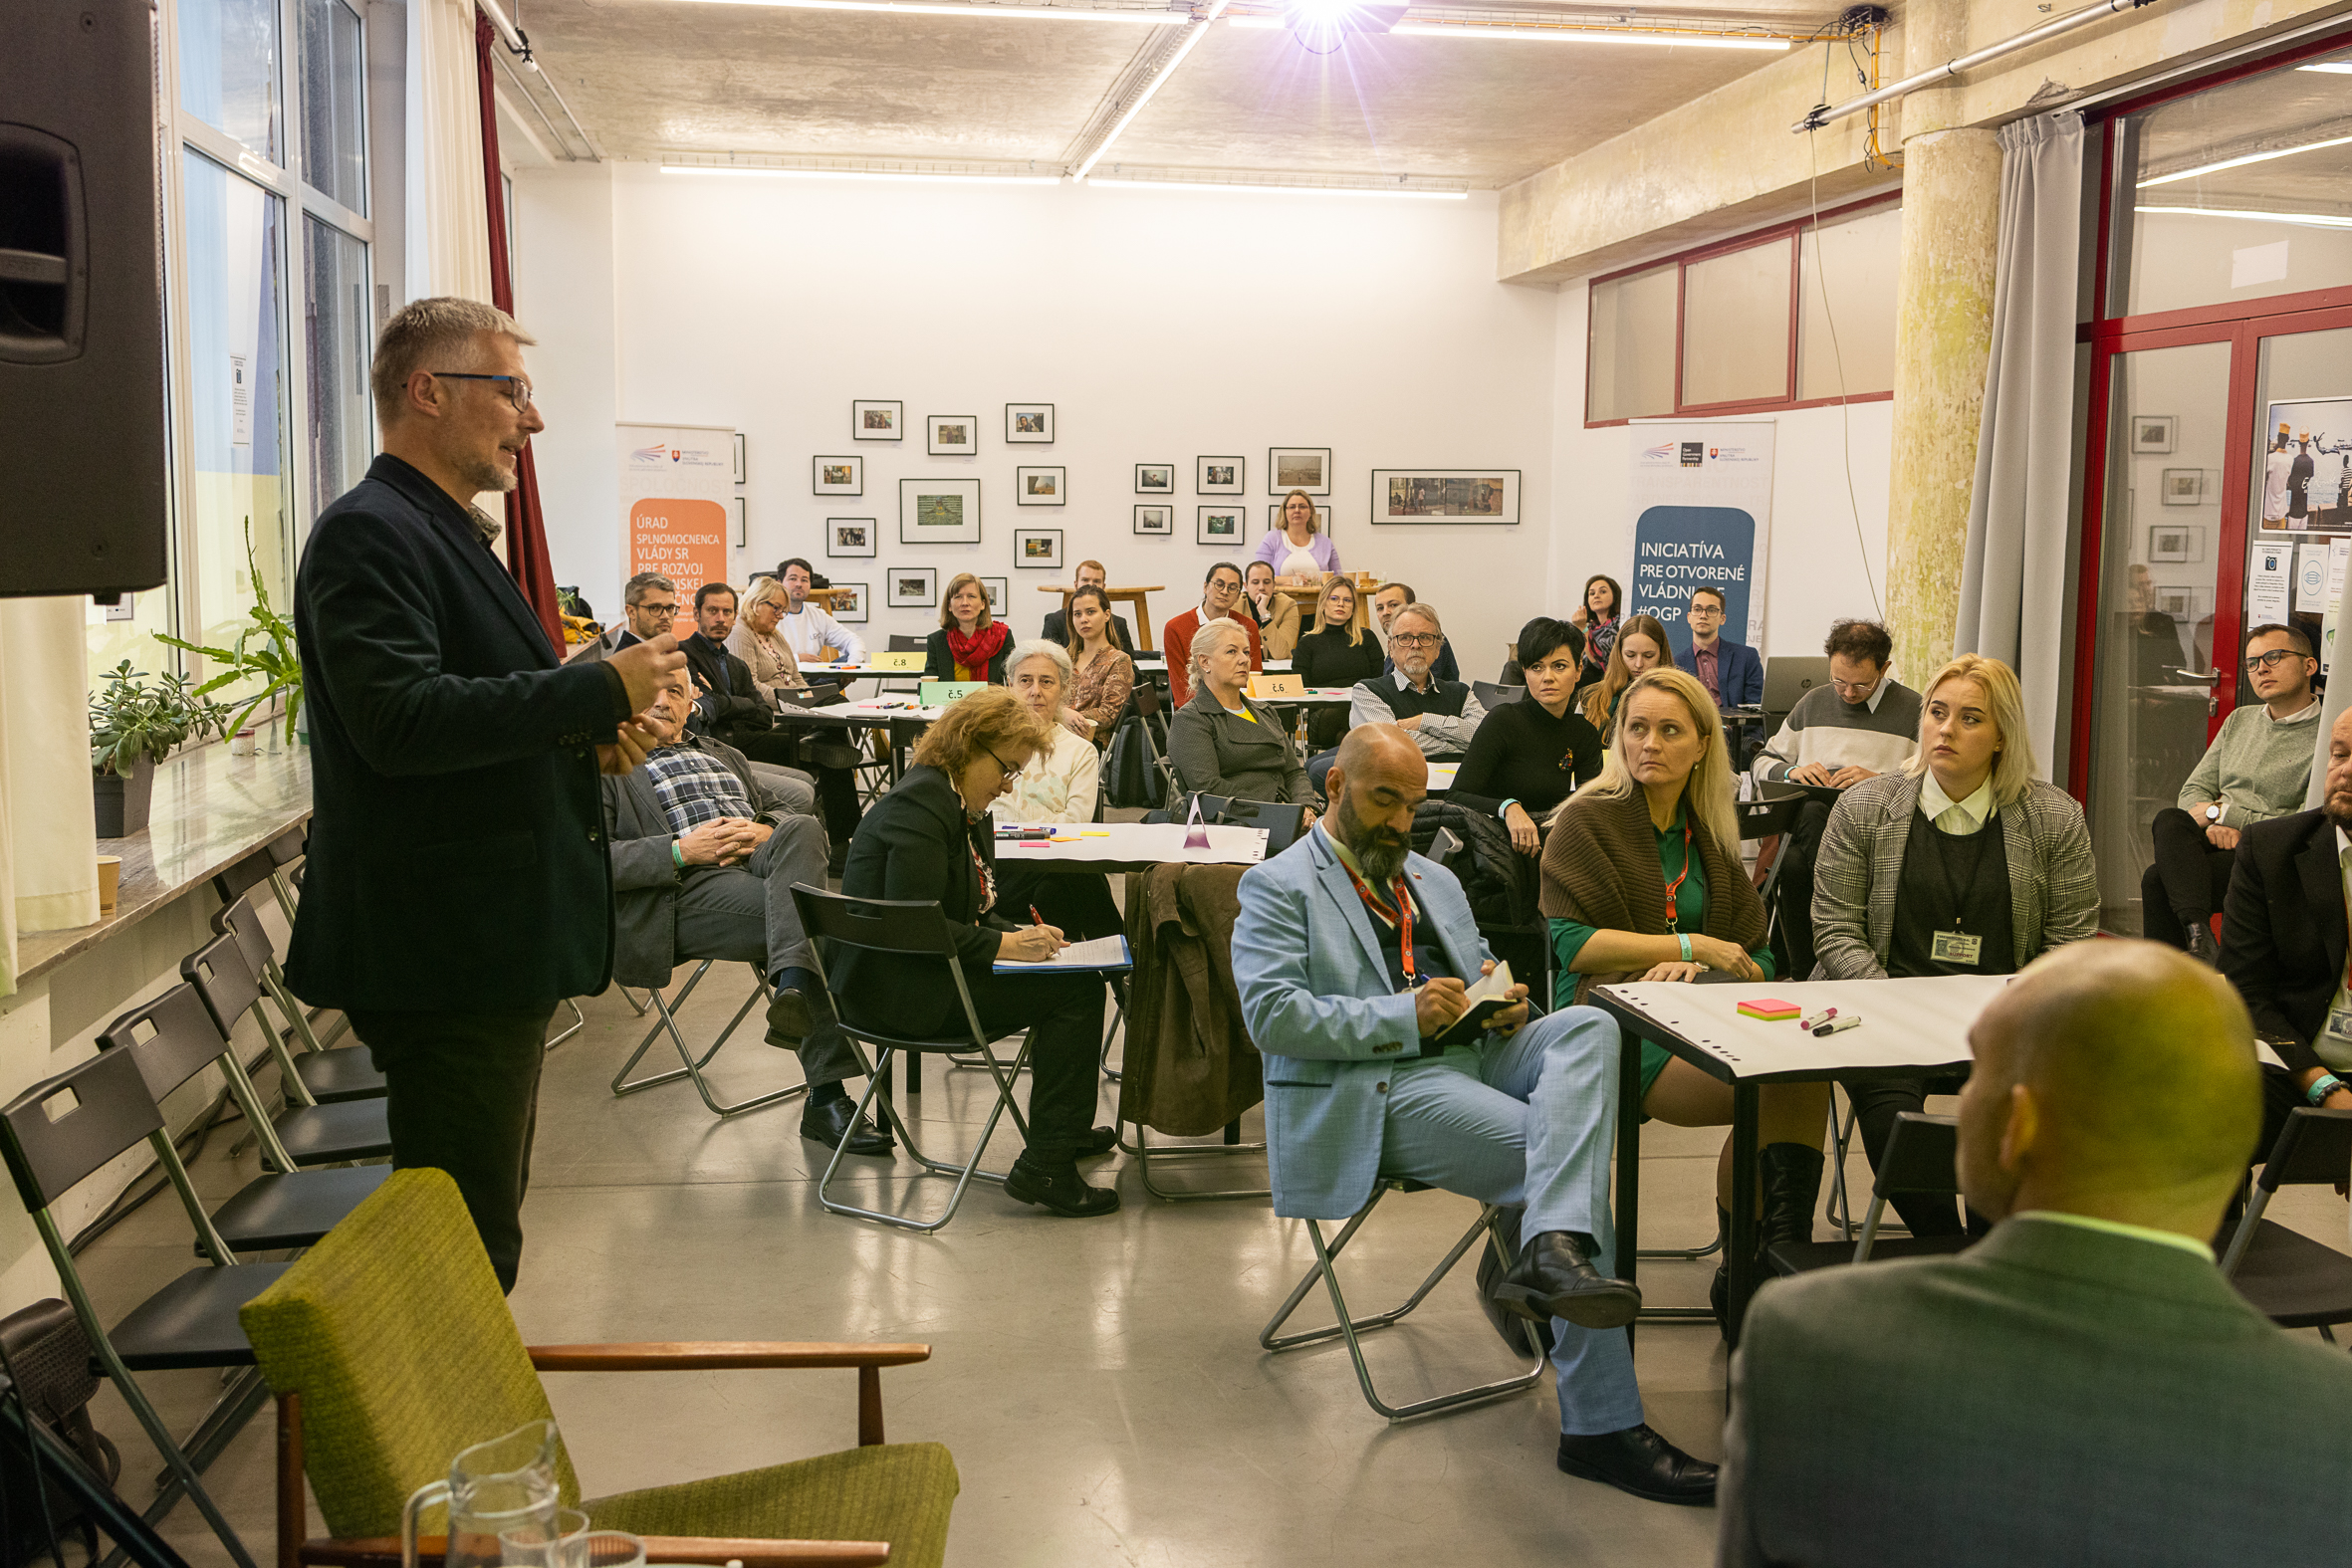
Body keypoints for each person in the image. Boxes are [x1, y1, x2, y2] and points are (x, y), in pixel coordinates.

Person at [1719, 940, 2352, 1568]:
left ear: (2018, 1127)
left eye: (1976, 1076)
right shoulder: (2329, 1422)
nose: (1964, 1100)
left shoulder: (1809, 1340)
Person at [287, 296, 683, 1292]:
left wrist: (575, 742)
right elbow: (400, 723)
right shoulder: (368, 536)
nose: (531, 419)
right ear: (428, 391)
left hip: (483, 942)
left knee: (475, 1227)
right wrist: (593, 688)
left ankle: (459, 1433)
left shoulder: (442, 532)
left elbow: (459, 713)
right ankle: (446, 1442)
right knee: (462, 1246)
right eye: (512, 391)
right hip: (445, 949)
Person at [1232, 725, 1717, 1507]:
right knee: (1561, 1161)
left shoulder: (1431, 875)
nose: (1400, 822)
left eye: (1413, 804)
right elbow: (1273, 1018)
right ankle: (1599, 1424)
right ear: (1333, 788)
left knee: (1592, 1022)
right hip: (1381, 1081)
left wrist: (1504, 996)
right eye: (1384, 800)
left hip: (1473, 1052)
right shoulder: (1278, 886)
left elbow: (1482, 959)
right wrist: (1402, 1016)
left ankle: (1544, 1250)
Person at [1542, 668, 1828, 1333]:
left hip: (1711, 1012)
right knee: (1764, 1086)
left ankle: (1759, 1270)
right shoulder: (1586, 819)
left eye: (1670, 730)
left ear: (1702, 743)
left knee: (1803, 1075)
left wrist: (1712, 961)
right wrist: (1690, 945)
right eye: (1636, 728)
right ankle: (1757, 1278)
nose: (1650, 743)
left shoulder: (1711, 828)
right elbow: (1572, 947)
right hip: (1608, 1019)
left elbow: (1756, 954)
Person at [1812, 653, 2098, 1237]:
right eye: (1937, 713)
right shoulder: (1865, 808)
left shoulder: (2054, 818)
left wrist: (2014, 1014)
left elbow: (2071, 945)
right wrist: (1893, 1004)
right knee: (1893, 1107)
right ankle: (1945, 1242)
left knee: (2017, 1110)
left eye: (1970, 718)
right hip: (1885, 1010)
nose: (1946, 729)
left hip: (2005, 1021)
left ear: (2001, 737)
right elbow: (1836, 929)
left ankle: (1987, 1244)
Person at [836, 687, 1119, 1216]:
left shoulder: (959, 802)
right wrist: (1006, 942)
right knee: (1076, 991)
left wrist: (1021, 937)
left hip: (923, 975)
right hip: (899, 994)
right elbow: (914, 929)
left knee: (1073, 971)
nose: (1009, 784)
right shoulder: (920, 806)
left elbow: (972, 908)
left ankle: (1062, 1132)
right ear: (968, 748)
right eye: (1007, 769)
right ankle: (1049, 1163)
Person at [602, 667, 890, 1157]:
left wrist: (766, 829)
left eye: (674, 691)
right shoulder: (607, 767)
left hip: (760, 863)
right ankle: (825, 1092)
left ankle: (794, 991)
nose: (662, 700)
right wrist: (678, 850)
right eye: (651, 690)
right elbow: (586, 864)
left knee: (799, 827)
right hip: (684, 886)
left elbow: (785, 811)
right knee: (814, 919)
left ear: (691, 702)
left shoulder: (722, 752)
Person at [2216, 703, 2352, 1164]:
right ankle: (2221, 1236)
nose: (2344, 772)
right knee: (2206, 1112)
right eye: (2339, 754)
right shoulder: (2273, 849)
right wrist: (2323, 1086)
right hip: (2297, 1060)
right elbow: (2245, 992)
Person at [1751, 618, 1924, 981]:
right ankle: (1837, 942)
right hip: (1816, 819)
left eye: (1861, 683)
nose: (1847, 693)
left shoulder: (1914, 711)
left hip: (1877, 831)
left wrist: (1880, 781)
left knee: (1796, 864)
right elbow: (1761, 762)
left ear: (1885, 668)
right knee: (1812, 811)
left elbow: (1932, 779)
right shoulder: (1812, 703)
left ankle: (1805, 972)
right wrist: (1791, 772)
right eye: (1838, 680)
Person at [2144, 623, 2319, 963]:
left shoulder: (2327, 731)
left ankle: (2174, 974)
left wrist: (2225, 814)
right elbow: (2193, 791)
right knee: (2169, 819)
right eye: (2252, 663)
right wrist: (2213, 824)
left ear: (2309, 666)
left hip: (2271, 852)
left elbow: (2305, 819)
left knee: (2157, 880)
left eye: (2274, 657)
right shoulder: (2240, 719)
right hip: (2217, 842)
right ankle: (2199, 935)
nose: (2261, 669)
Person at [992, 640, 1123, 942]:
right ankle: (1121, 967)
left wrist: (1018, 831)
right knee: (1074, 877)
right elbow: (983, 818)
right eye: (1025, 680)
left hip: (1051, 863)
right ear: (1010, 685)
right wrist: (1043, 827)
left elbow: (1074, 825)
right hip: (995, 872)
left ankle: (1069, 977)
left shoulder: (1080, 751)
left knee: (1056, 886)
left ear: (1064, 690)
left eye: (1046, 681)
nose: (1035, 691)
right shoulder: (990, 743)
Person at [1451, 617, 1604, 855]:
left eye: (1560, 666)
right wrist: (1507, 807)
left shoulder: (1583, 732)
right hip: (1497, 847)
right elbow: (1456, 796)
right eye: (1536, 667)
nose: (1548, 677)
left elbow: (1590, 805)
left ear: (1578, 670)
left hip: (1554, 848)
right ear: (1524, 672)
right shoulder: (1503, 720)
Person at [1311, 599, 1487, 795]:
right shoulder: (1368, 691)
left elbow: (1484, 738)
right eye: (1404, 638)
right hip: (1394, 787)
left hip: (1454, 786)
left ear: (1438, 649)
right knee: (1316, 769)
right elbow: (1390, 747)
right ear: (1390, 647)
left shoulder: (1461, 692)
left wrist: (1425, 721)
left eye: (1425, 638)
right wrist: (1457, 744)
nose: (1415, 645)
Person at [1167, 621, 1315, 813]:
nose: (1244, 659)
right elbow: (1210, 789)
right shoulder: (1191, 719)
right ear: (1204, 662)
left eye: (1246, 652)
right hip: (1243, 820)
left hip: (1288, 810)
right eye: (1231, 652)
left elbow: (1294, 772)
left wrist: (1307, 807)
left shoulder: (1265, 711)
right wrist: (1280, 812)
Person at [1291, 575, 1385, 751]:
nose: (1340, 604)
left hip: (1362, 710)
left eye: (1347, 600)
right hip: (1322, 715)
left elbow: (1380, 682)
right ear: (1323, 604)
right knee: (1345, 714)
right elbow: (1300, 687)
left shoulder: (1367, 639)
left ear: (1353, 607)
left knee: (1349, 726)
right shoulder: (1308, 642)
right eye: (1334, 599)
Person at [1163, 562, 1262, 710]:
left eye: (1232, 587)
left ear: (1238, 596)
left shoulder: (1248, 626)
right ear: (1205, 587)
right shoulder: (1175, 627)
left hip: (1239, 710)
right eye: (1219, 584)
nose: (1224, 591)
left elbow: (1253, 680)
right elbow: (1180, 686)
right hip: (1195, 712)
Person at [1061, 584, 1134, 745]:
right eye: (1077, 614)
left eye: (1091, 612)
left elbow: (1108, 714)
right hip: (1054, 737)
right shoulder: (1063, 658)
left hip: (1090, 744)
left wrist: (1063, 716)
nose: (1083, 619)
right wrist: (1060, 714)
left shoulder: (1118, 660)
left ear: (1107, 615)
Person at [1577, 612, 1673, 734]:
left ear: (1661, 654)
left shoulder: (1677, 700)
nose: (1638, 664)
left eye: (1648, 656)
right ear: (1619, 654)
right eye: (1630, 655)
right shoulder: (1589, 698)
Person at [1676, 585, 1763, 711]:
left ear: (1722, 619)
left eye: (1711, 610)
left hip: (1735, 729)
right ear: (1689, 617)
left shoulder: (1746, 657)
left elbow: (1754, 708)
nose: (1703, 615)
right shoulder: (1676, 665)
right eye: (1697, 609)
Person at [770, 557, 866, 665]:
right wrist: (797, 659)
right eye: (793, 579)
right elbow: (762, 658)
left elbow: (853, 641)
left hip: (813, 678)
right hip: (780, 677)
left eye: (804, 580)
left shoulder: (818, 616)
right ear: (779, 583)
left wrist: (852, 667)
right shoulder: (769, 616)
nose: (799, 584)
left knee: (848, 659)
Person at [923, 571, 1013, 684]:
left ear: (983, 604)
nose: (965, 603)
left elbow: (1015, 680)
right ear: (949, 605)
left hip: (992, 701)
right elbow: (929, 686)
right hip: (949, 702)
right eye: (958, 597)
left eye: (971, 596)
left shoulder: (1002, 636)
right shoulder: (936, 641)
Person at [569, 570, 674, 664]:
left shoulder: (659, 652)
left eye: (670, 608)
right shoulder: (628, 664)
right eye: (655, 608)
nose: (665, 616)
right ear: (631, 612)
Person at [1372, 580, 1459, 685]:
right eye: (1380, 608)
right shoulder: (1394, 641)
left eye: (1393, 605)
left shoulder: (1429, 641)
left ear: (1411, 607)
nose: (1385, 612)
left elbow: (1419, 689)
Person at [1040, 560, 1137, 652]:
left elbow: (1131, 663)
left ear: (1103, 586)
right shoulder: (1054, 621)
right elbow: (1045, 661)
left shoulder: (1119, 623)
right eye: (1085, 580)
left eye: (1096, 581)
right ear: (1076, 584)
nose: (1091, 585)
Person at [1253, 489, 1341, 580]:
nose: (1297, 510)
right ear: (1284, 511)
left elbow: (1338, 579)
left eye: (1302, 507)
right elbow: (1258, 577)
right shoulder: (1271, 539)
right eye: (1292, 507)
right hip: (1280, 594)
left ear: (1310, 511)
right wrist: (1291, 580)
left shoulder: (1325, 542)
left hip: (1319, 595)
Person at [1241, 560, 1302, 659]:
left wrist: (1264, 614)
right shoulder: (1235, 604)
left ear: (1274, 585)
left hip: (1276, 670)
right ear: (1246, 586)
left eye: (1267, 582)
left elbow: (1281, 653)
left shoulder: (1288, 605)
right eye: (1255, 582)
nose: (1261, 587)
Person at [1569, 573, 1622, 687]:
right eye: (1592, 593)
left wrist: (1582, 628)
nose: (1596, 596)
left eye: (1603, 592)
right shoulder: (1591, 627)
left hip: (1606, 682)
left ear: (1615, 596)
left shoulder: (1620, 625)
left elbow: (1599, 664)